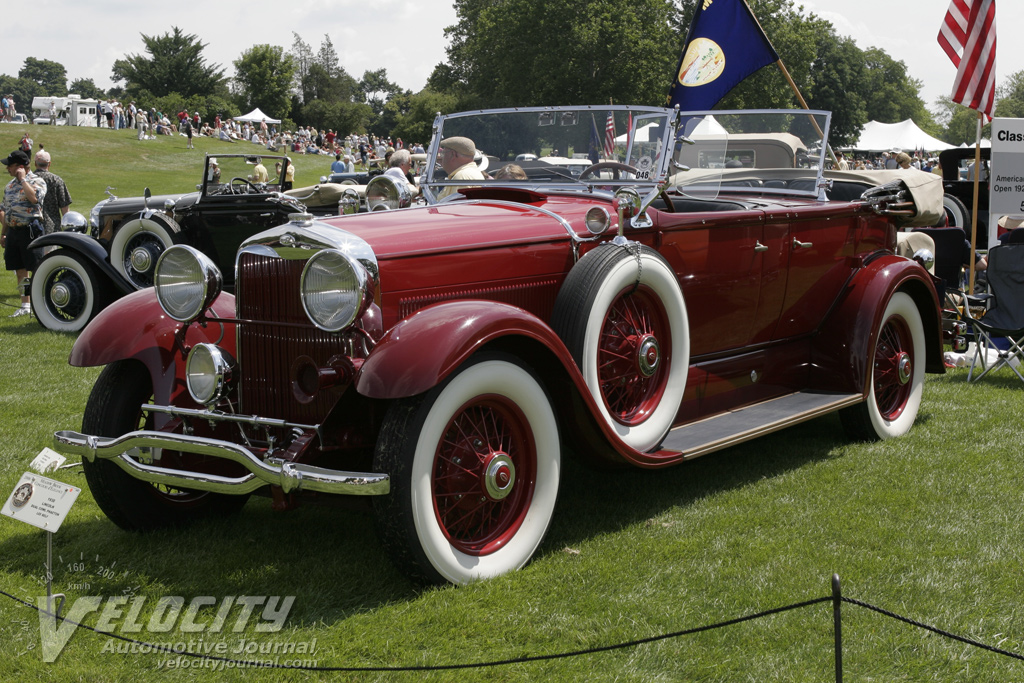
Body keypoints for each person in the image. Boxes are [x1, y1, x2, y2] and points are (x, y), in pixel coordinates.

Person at [0, 150, 47, 317]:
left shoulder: (37, 181)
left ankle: (41, 303)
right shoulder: (10, 186)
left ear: (20, 167)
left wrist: (23, 179)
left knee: (36, 268)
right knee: (20, 270)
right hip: (14, 230)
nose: (7, 169)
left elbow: (34, 198)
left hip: (30, 230)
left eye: (10, 166)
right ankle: (25, 304)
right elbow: (6, 211)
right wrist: (3, 233)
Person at [33, 150, 72, 234]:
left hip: (32, 229)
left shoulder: (28, 180)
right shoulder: (56, 180)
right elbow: (65, 208)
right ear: (49, 164)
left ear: (35, 163)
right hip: (52, 229)